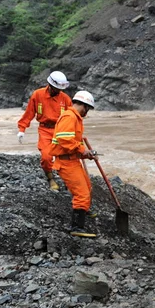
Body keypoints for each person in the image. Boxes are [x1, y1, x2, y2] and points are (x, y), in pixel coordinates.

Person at [47, 91, 97, 238]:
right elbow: (65, 140)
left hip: (72, 159)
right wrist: (83, 149)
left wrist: (85, 154)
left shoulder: (75, 118)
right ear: (83, 105)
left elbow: (72, 143)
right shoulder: (69, 116)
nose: (86, 113)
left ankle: (83, 210)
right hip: (66, 162)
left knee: (87, 186)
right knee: (81, 193)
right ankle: (76, 227)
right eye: (87, 109)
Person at [17, 71, 72, 191]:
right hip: (45, 130)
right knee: (46, 157)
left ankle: (68, 179)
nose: (58, 91)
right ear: (50, 85)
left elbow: (72, 118)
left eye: (60, 89)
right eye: (56, 88)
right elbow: (29, 113)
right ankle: (50, 178)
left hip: (61, 130)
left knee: (66, 157)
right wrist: (22, 129)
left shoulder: (65, 99)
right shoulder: (38, 95)